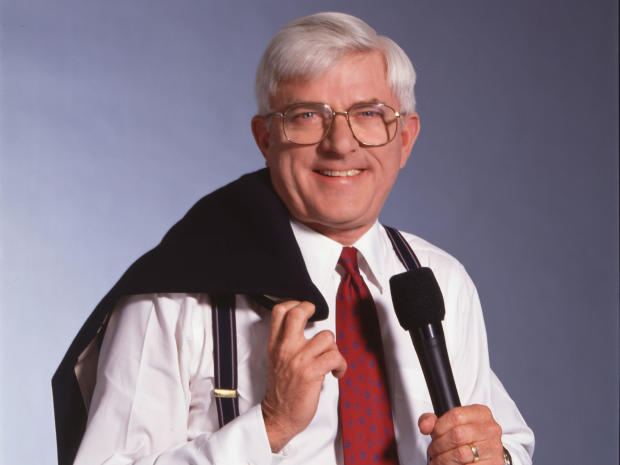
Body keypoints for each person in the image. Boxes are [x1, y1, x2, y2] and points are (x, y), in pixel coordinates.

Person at [53, 12, 534, 465]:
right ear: (265, 139)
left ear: (404, 138)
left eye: (368, 113)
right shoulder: (175, 294)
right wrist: (269, 426)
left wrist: (496, 455)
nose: (340, 143)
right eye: (307, 116)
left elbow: (503, 440)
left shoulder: (438, 281)